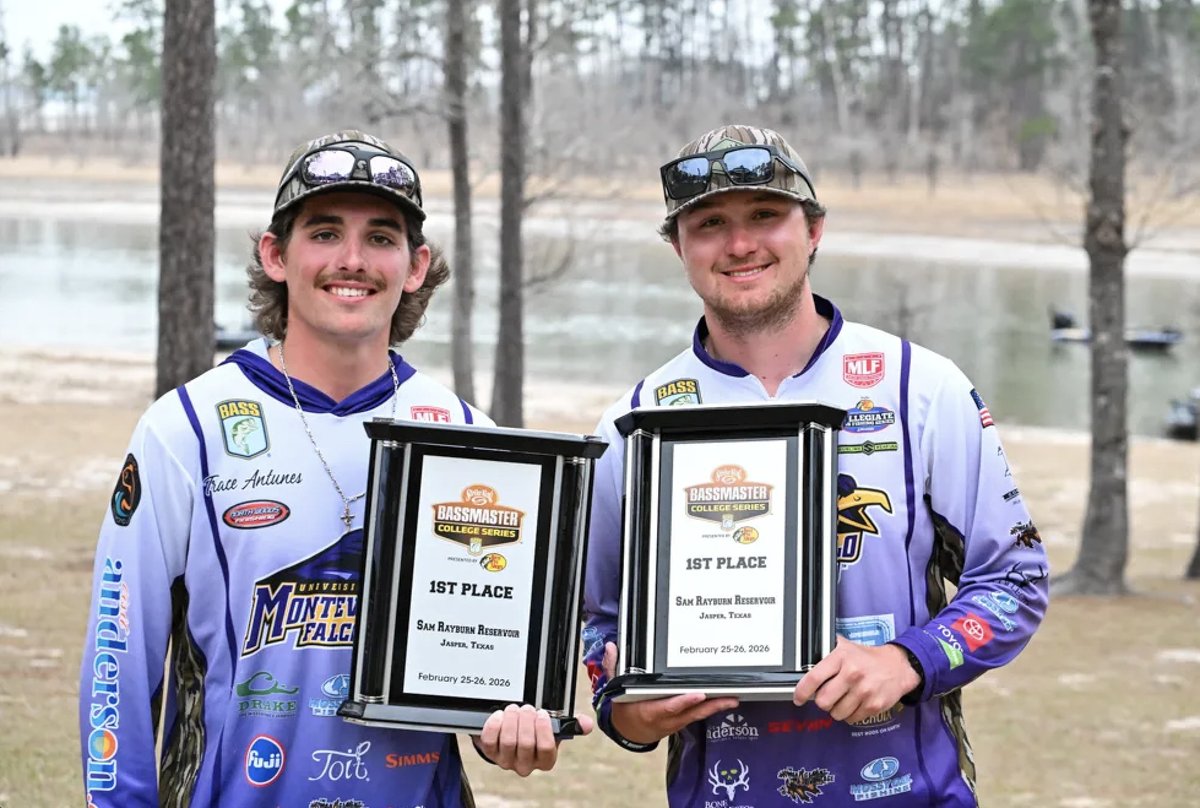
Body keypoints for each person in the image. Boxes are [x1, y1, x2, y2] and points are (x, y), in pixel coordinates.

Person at [80, 129, 588, 808]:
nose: (352, 260)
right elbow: (118, 662)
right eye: (324, 232)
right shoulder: (187, 430)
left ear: (415, 264)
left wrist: (509, 729)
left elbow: (483, 691)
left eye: (380, 237)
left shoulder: (469, 436)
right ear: (275, 254)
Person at [581, 124, 1049, 806]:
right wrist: (626, 711)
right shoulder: (635, 422)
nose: (740, 245)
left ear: (815, 229)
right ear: (678, 246)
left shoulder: (918, 386)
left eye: (765, 216)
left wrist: (907, 660)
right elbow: (602, 625)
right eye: (709, 224)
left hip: (906, 791)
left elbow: (1015, 578)